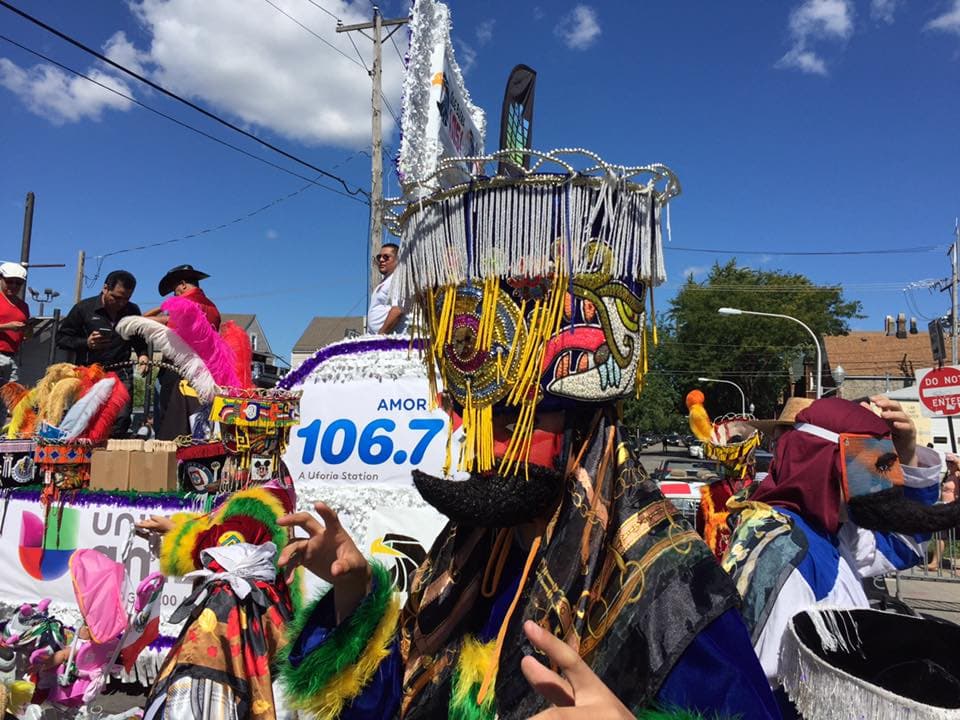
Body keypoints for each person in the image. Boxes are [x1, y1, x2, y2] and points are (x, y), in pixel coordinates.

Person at [276, 151, 779, 718]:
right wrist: (353, 591)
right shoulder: (466, 555)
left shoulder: (675, 595)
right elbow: (395, 701)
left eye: (512, 421)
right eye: (471, 417)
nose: (480, 446)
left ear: (585, 429)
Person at [722, 396, 946, 714]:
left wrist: (907, 452)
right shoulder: (785, 550)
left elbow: (902, 545)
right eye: (870, 469)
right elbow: (754, 690)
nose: (880, 487)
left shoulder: (832, 532)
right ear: (825, 465)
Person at [57, 270, 148, 436]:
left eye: (126, 299)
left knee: (121, 417)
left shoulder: (132, 310)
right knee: (86, 418)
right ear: (105, 288)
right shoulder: (83, 308)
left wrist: (143, 354)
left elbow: (138, 338)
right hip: (90, 372)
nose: (121, 303)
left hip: (121, 371)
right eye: (116, 297)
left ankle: (114, 449)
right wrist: (86, 343)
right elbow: (62, 338)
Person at [147, 264, 221, 440]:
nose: (175, 295)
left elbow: (146, 320)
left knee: (170, 421)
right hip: (202, 371)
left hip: (177, 370)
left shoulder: (185, 304)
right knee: (197, 422)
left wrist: (162, 308)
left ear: (182, 285)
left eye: (175, 291)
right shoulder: (213, 309)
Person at [366, 244, 406, 335]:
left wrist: (381, 334)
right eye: (379, 257)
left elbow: (398, 309)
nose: (381, 260)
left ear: (398, 259)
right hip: (376, 337)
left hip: (390, 339)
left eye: (386, 257)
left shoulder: (398, 278)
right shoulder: (385, 281)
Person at [0, 262, 29, 385]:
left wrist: (27, 331)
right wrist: (8, 327)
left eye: (18, 283)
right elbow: (10, 327)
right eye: (9, 282)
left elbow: (25, 334)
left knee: (11, 395)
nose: (13, 286)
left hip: (13, 357)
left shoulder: (23, 306)